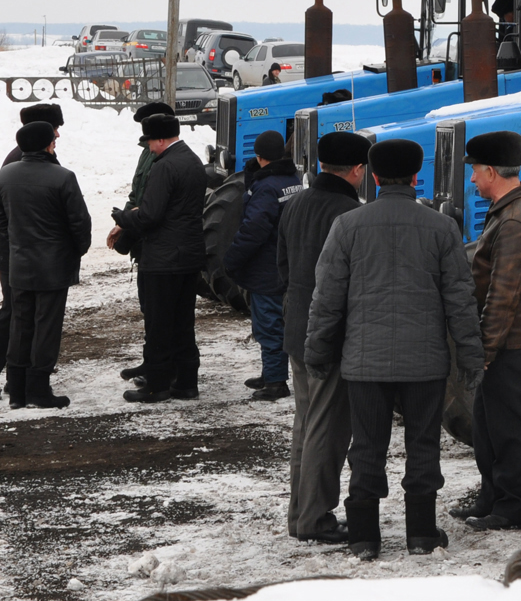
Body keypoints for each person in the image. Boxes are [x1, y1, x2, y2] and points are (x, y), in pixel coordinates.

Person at [304, 138, 483, 560]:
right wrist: (472, 358)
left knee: (366, 446)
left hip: (364, 364)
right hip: (425, 364)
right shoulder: (442, 228)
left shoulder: (348, 226)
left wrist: (317, 351)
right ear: (417, 176)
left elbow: (326, 298)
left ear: (376, 176)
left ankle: (364, 537)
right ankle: (421, 533)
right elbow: (461, 300)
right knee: (424, 445)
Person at [454, 131, 521, 532]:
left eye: (476, 172)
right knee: (488, 424)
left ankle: (513, 508)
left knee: (510, 429)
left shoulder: (514, 220)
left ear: (492, 171)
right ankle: (492, 497)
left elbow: (503, 295)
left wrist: (486, 350)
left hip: (513, 344)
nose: (473, 180)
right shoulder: (512, 210)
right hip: (508, 342)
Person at [276, 129, 368, 544]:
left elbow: (282, 267)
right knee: (327, 430)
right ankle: (314, 518)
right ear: (357, 170)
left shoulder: (294, 203)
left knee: (305, 423)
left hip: (297, 326)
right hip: (330, 333)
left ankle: (300, 513)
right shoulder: (348, 214)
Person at [0, 121, 92, 408]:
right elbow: (79, 223)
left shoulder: (6, 175)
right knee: (46, 326)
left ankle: (18, 391)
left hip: (20, 263)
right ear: (49, 144)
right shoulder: (62, 177)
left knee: (20, 325)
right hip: (54, 266)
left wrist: (18, 242)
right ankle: (38, 388)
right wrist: (76, 251)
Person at [110, 111, 207, 403]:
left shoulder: (164, 166)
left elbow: (151, 215)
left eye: (151, 141)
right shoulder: (191, 160)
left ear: (161, 139)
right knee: (182, 323)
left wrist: (123, 218)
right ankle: (186, 383)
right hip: (188, 256)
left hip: (163, 259)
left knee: (158, 324)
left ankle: (157, 385)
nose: (149, 148)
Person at [0, 102, 66, 399]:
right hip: (17, 252)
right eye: (54, 129)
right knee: (15, 312)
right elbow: (3, 212)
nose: (57, 135)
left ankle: (17, 376)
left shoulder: (26, 157)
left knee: (20, 313)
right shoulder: (21, 160)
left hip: (17, 250)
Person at [222, 130, 302, 401]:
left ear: (259, 156)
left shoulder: (266, 187)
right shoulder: (293, 180)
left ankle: (276, 381)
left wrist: (232, 259)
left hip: (267, 268)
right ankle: (271, 373)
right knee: (273, 322)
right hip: (285, 263)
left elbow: (253, 229)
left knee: (268, 325)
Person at [111, 101, 173, 382]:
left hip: (158, 244)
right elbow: (136, 194)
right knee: (149, 308)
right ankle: (152, 361)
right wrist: (122, 222)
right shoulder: (147, 154)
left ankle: (161, 366)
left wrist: (128, 218)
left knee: (161, 311)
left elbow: (151, 204)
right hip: (144, 244)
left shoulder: (164, 159)